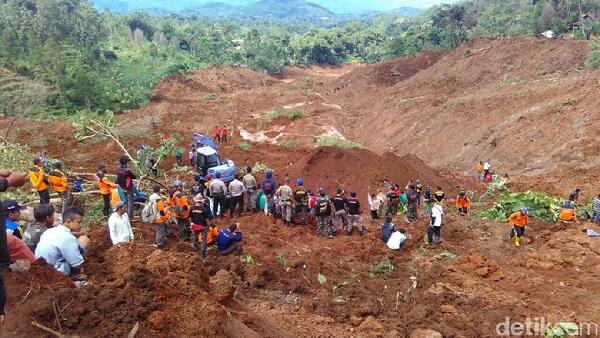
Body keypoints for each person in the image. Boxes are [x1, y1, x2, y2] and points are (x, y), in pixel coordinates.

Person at [35, 207, 91, 277]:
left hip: (40, 270)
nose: (81, 225)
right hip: (56, 273)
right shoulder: (68, 238)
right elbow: (77, 267)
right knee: (84, 240)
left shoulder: (49, 231)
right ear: (68, 222)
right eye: (79, 222)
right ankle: (73, 276)